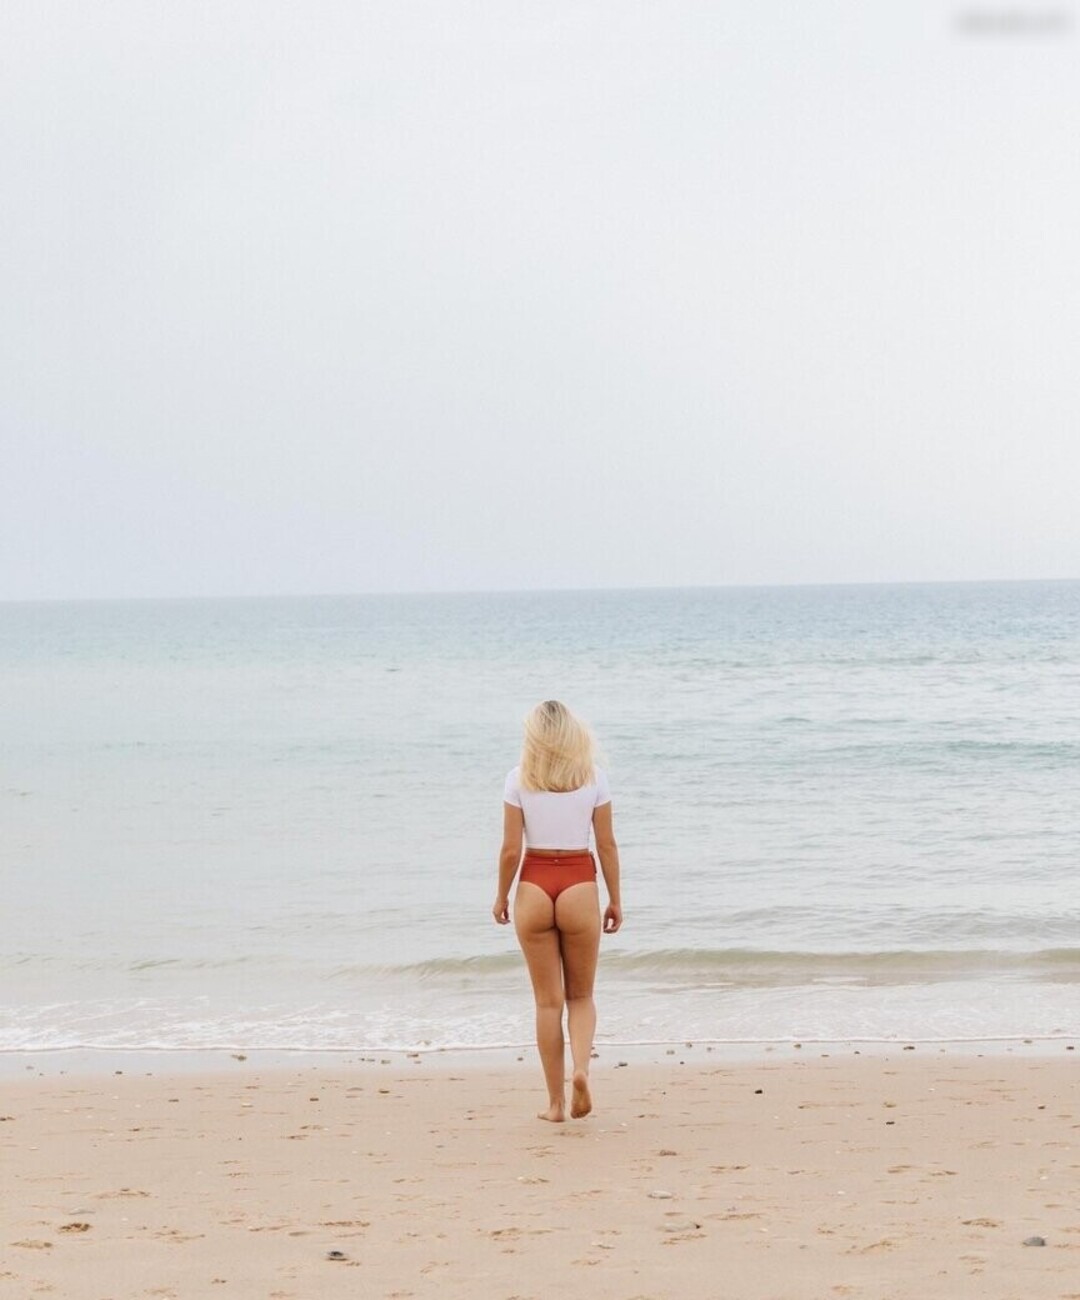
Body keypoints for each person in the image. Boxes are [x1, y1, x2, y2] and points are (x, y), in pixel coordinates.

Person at [492, 700, 622, 1122]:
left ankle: (555, 1104)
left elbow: (510, 850)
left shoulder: (518, 779)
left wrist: (501, 896)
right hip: (579, 884)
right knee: (580, 996)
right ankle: (581, 1070)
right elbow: (606, 845)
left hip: (534, 884)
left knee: (548, 1004)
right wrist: (615, 898)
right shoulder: (593, 778)